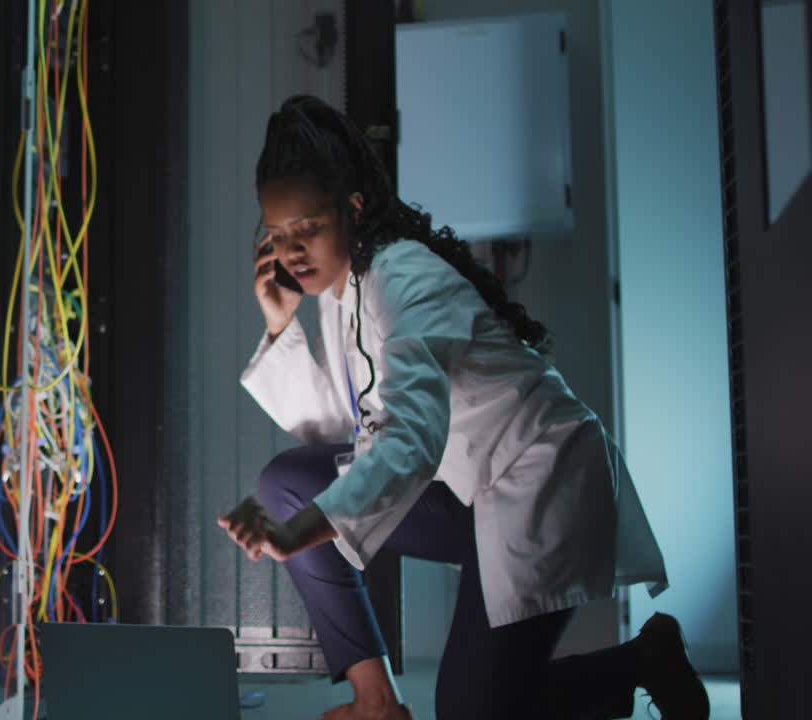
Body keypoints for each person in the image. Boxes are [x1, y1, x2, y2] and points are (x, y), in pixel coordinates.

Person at [216, 95, 710, 720]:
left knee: (471, 711)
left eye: (307, 227)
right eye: (277, 233)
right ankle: (375, 703)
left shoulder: (402, 277)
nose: (291, 251)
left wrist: (294, 534)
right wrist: (280, 323)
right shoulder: (342, 293)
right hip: (469, 494)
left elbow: (407, 443)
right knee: (290, 482)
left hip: (541, 484)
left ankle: (642, 659)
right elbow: (351, 434)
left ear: (354, 207)